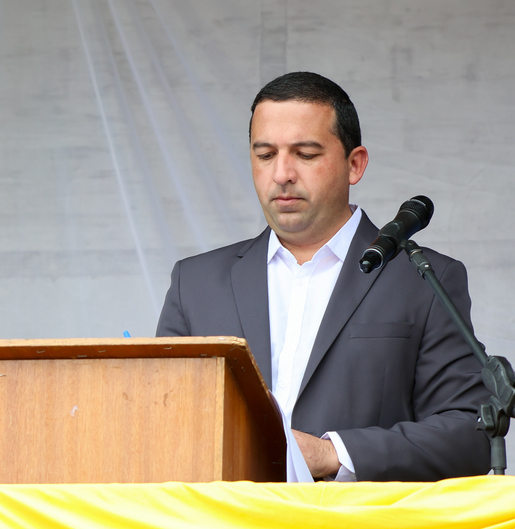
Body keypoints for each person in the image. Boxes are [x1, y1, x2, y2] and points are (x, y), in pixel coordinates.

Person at [156, 72, 490, 481]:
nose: (282, 173)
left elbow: (470, 433)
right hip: (226, 519)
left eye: (305, 154)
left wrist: (333, 454)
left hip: (356, 520)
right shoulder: (195, 283)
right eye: (265, 155)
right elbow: (161, 423)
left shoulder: (424, 279)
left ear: (355, 164)